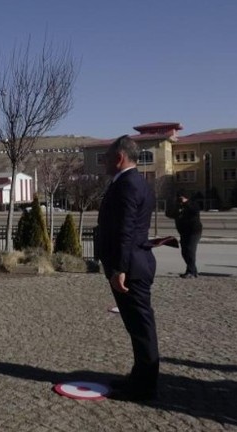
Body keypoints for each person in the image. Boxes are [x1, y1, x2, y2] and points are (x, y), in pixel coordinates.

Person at [96, 135, 159, 401]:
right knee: (136, 327)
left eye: (107, 159)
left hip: (130, 267)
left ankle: (143, 387)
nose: (104, 164)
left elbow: (126, 229)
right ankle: (138, 378)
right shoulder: (134, 182)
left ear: (119, 158)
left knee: (142, 328)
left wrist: (119, 268)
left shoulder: (128, 185)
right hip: (132, 263)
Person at [172, 192, 202, 278]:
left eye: (181, 198)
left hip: (194, 232)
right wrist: (175, 205)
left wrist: (186, 202)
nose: (180, 200)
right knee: (184, 252)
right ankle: (193, 271)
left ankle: (191, 272)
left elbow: (195, 211)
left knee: (190, 251)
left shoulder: (193, 204)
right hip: (183, 232)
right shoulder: (178, 207)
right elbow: (169, 214)